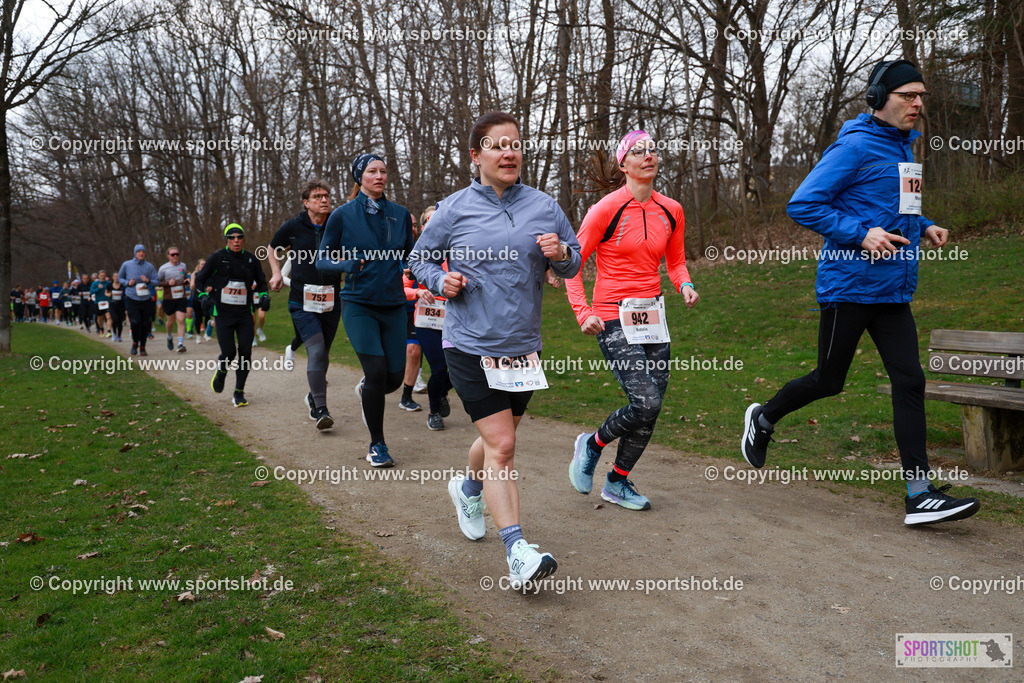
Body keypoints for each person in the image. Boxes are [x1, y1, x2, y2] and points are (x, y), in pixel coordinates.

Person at [741, 59, 980, 526]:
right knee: (829, 381)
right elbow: (803, 203)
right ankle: (764, 418)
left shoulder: (905, 148)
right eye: (907, 95)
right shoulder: (852, 148)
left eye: (921, 97)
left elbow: (897, 206)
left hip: (892, 290)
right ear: (877, 99)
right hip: (848, 286)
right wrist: (859, 233)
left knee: (909, 380)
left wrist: (926, 224)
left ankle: (919, 495)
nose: (917, 104)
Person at [410, 111, 582, 589]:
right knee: (504, 445)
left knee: (495, 440)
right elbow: (419, 258)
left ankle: (468, 489)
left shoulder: (545, 206)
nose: (509, 153)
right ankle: (518, 552)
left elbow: (574, 262)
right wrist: (439, 280)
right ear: (476, 155)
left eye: (515, 144)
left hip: (523, 349)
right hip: (468, 345)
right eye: (497, 145)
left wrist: (562, 255)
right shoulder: (454, 208)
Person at [565, 130, 699, 511]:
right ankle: (591, 445)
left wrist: (684, 284)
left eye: (653, 149)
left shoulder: (671, 209)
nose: (648, 156)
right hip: (612, 315)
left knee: (653, 405)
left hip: (653, 316)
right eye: (638, 152)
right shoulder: (605, 209)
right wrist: (583, 312)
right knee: (645, 401)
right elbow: (572, 264)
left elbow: (675, 260)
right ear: (623, 164)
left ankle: (617, 482)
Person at [317, 154, 415, 466]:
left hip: (394, 305)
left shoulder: (400, 214)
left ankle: (366, 389)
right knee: (375, 371)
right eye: (372, 171)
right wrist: (343, 264)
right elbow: (321, 259)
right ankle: (378, 444)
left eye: (383, 171)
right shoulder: (343, 215)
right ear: (360, 177)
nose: (379, 176)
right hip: (359, 304)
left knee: (394, 379)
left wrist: (419, 272)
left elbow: (412, 257)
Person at [268, 178, 340, 430]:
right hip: (301, 300)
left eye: (327, 196)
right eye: (318, 196)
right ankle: (321, 409)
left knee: (324, 354)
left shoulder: (336, 223)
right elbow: (272, 247)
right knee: (317, 350)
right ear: (306, 202)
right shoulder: (294, 226)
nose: (324, 200)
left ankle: (313, 395)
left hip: (332, 300)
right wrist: (277, 273)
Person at [196, 224, 270, 407]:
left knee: (245, 353)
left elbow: (261, 283)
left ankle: (239, 392)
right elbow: (199, 279)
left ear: (243, 239)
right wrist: (203, 296)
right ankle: (221, 370)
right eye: (232, 237)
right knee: (229, 352)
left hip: (244, 314)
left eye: (239, 237)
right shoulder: (217, 257)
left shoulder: (251, 260)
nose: (236, 240)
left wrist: (264, 296)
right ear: (227, 240)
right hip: (222, 313)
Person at [404, 206, 453, 430]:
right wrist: (417, 292)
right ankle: (434, 411)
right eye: (429, 221)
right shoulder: (415, 254)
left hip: (455, 320)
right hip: (426, 319)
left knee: (460, 369)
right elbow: (401, 288)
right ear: (423, 227)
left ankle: (441, 392)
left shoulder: (457, 250)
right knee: (439, 368)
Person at [399, 211, 424, 412]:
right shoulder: (389, 249)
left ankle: (406, 396)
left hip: (416, 308)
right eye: (409, 225)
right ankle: (370, 383)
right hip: (392, 308)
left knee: (414, 351)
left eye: (415, 225)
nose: (412, 229)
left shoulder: (421, 250)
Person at [117, 244, 159, 356]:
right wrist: (127, 283)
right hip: (132, 298)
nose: (141, 253)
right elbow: (120, 278)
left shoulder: (149, 266)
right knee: (135, 323)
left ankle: (143, 347)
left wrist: (148, 280)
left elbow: (157, 280)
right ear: (135, 253)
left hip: (145, 299)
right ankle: (135, 343)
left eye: (143, 252)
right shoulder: (126, 264)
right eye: (139, 251)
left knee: (145, 324)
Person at [158, 246, 189, 352]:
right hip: (169, 298)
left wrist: (186, 281)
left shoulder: (183, 266)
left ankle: (180, 344)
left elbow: (185, 277)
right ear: (168, 256)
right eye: (173, 254)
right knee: (170, 321)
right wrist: (167, 283)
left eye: (177, 254)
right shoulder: (163, 268)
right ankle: (169, 335)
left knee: (181, 319)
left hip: (181, 297)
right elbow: (157, 282)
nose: (175, 256)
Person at [187, 259, 207, 344]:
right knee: (198, 317)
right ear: (198, 265)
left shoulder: (208, 274)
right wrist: (194, 282)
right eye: (202, 264)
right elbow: (191, 288)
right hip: (197, 298)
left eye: (205, 264)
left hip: (206, 297)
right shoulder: (194, 274)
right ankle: (198, 335)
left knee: (207, 315)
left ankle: (207, 332)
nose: (203, 265)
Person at [91, 270, 113, 337]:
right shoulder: (95, 283)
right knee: (100, 317)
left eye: (104, 276)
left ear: (106, 276)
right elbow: (91, 292)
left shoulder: (109, 283)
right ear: (99, 276)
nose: (103, 277)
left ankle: (109, 331)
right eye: (101, 276)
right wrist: (98, 288)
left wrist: (110, 294)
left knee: (109, 316)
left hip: (107, 302)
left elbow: (112, 291)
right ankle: (101, 329)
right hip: (98, 302)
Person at [109, 272, 126, 341]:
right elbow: (106, 292)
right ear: (113, 277)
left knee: (119, 321)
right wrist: (109, 295)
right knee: (114, 319)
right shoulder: (109, 285)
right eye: (115, 276)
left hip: (121, 305)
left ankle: (119, 335)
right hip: (112, 305)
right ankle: (114, 333)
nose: (117, 278)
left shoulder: (123, 286)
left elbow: (126, 294)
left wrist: (124, 295)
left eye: (118, 276)